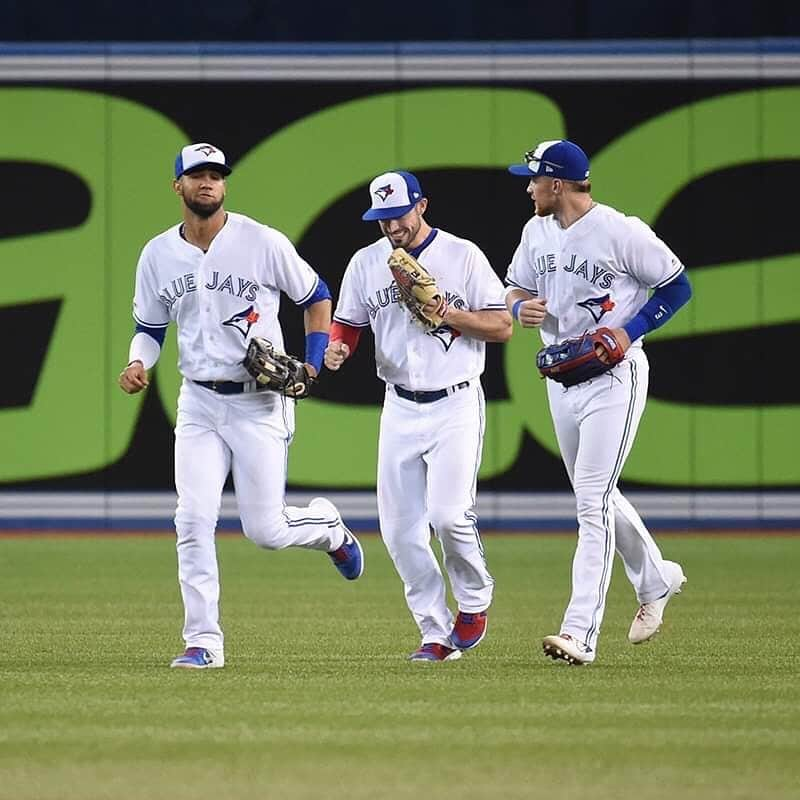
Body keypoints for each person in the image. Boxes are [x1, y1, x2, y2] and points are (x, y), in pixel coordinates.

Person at [118, 142, 363, 670]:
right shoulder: (158, 254)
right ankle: (203, 641)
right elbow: (149, 327)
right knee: (192, 518)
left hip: (259, 402)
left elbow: (317, 294)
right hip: (199, 403)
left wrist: (313, 361)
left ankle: (328, 528)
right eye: (196, 175)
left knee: (266, 531)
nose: (208, 182)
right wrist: (139, 362)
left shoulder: (261, 241)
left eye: (216, 175)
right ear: (177, 186)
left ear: (225, 185)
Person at [504, 139, 692, 665]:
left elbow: (677, 288)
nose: (528, 186)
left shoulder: (619, 231)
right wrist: (520, 309)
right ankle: (656, 579)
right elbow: (514, 288)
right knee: (598, 495)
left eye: (534, 178)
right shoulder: (535, 231)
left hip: (615, 377)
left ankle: (579, 633)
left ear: (557, 184)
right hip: (561, 378)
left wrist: (630, 333)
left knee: (590, 501)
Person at [324, 170, 512, 662]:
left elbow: (502, 326)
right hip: (399, 405)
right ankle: (434, 631)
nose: (392, 227)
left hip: (455, 400)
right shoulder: (365, 263)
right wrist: (338, 351)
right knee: (400, 531)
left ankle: (474, 600)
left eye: (399, 215)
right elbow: (346, 327)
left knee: (450, 516)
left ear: (422, 206)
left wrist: (448, 314)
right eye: (383, 218)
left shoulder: (462, 255)